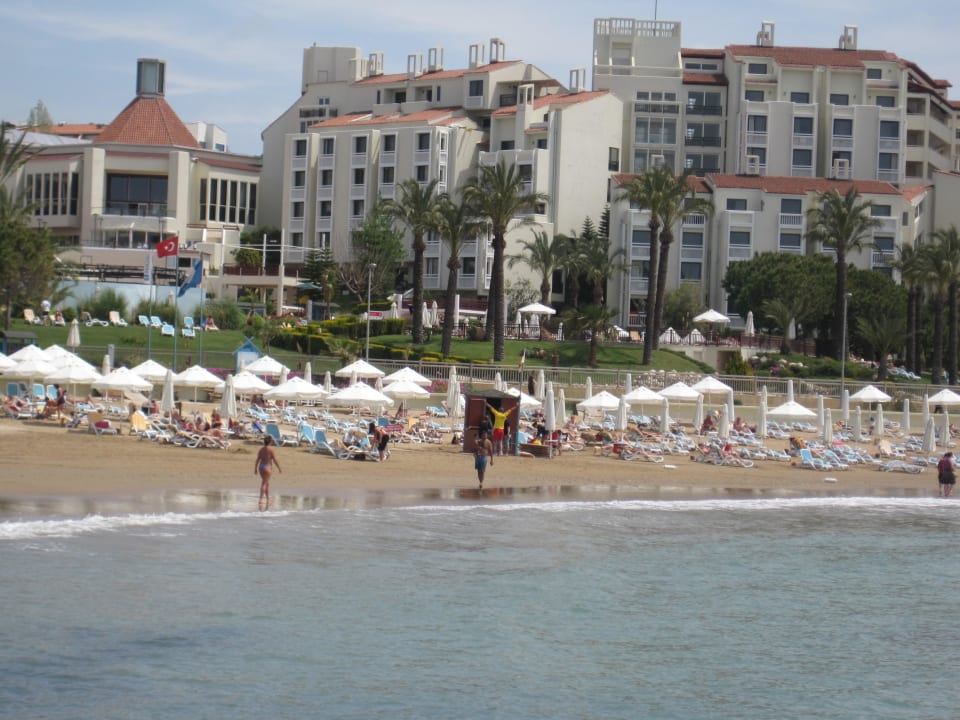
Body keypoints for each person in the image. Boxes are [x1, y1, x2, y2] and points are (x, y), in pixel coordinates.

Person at [255, 436, 282, 509]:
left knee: (267, 483)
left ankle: (267, 498)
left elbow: (257, 459)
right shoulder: (271, 449)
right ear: (270, 442)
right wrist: (279, 468)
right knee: (264, 483)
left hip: (261, 467)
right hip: (267, 467)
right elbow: (275, 460)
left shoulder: (261, 449)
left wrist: (255, 469)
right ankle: (261, 499)